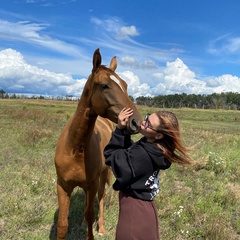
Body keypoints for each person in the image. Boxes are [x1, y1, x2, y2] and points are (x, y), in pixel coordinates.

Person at [104, 108, 193, 240]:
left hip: (133, 211)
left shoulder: (143, 154)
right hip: (147, 210)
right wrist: (126, 132)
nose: (144, 122)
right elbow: (131, 154)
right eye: (147, 118)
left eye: (149, 124)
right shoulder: (155, 149)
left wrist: (119, 131)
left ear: (158, 135)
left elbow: (112, 157)